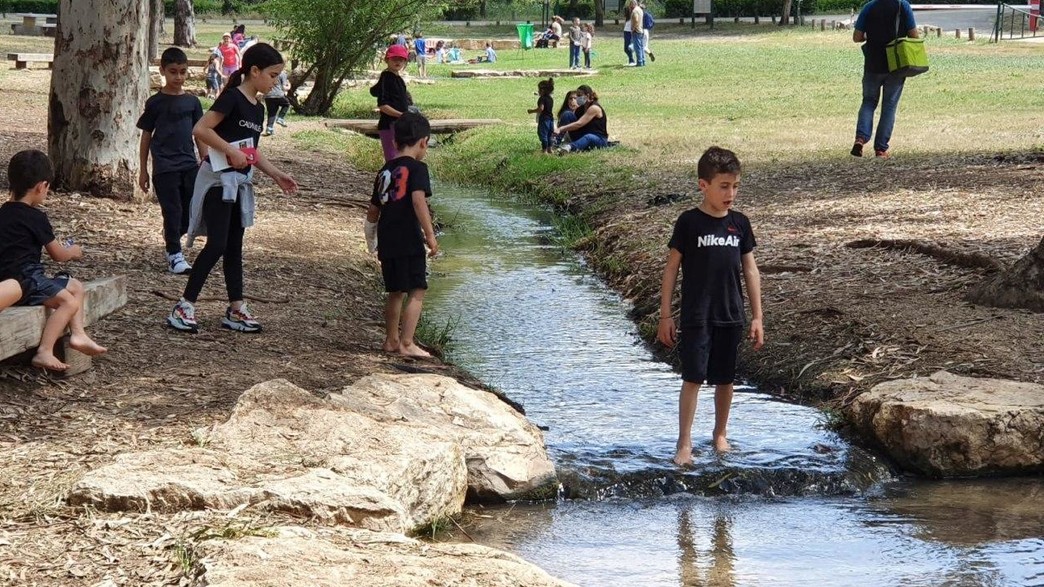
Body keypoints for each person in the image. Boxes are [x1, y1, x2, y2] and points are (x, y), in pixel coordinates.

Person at [167, 43, 299, 334]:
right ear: (254, 71)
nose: (275, 80)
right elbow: (201, 129)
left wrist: (277, 175)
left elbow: (252, 151)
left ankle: (236, 308)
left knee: (234, 247)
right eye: (273, 74)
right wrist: (229, 152)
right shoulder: (232, 98)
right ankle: (184, 305)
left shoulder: (258, 108)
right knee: (216, 244)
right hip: (217, 182)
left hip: (240, 185)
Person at [656, 146, 764, 463]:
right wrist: (665, 314)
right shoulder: (689, 223)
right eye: (724, 186)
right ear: (704, 185)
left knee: (725, 379)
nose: (731, 193)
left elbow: (750, 270)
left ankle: (720, 434)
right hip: (696, 315)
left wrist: (757, 317)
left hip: (731, 314)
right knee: (692, 378)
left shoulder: (740, 224)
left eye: (735, 186)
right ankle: (684, 442)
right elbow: (671, 268)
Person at [0, 150, 107, 371]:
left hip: (12, 280)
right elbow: (58, 255)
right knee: (68, 301)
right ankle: (45, 351)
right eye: (47, 189)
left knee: (75, 286)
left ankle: (78, 335)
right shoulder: (36, 218)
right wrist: (74, 251)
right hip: (26, 280)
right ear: (41, 186)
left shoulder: (3, 213)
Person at [364, 112, 439, 359]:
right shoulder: (418, 168)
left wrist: (370, 239)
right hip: (408, 237)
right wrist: (430, 235)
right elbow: (418, 201)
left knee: (395, 290)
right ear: (423, 142)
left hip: (387, 237)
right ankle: (407, 343)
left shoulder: (385, 170)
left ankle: (391, 340)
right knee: (417, 289)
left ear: (395, 142)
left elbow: (373, 209)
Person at [137, 47, 207, 276]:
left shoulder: (193, 102)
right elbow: (146, 135)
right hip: (164, 167)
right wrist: (143, 170)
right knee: (173, 210)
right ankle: (175, 255)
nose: (178, 77)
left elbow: (200, 133)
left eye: (183, 72)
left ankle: (172, 236)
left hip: (189, 165)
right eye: (173, 72)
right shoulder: (155, 102)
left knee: (190, 212)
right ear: (163, 71)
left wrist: (205, 160)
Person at [851, 0, 918, 158]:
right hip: (896, 65)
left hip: (873, 64)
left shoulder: (869, 7)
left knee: (868, 101)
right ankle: (881, 149)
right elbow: (914, 36)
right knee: (889, 106)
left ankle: (860, 139)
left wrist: (871, 35)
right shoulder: (903, 6)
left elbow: (857, 37)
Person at [370, 44, 411, 162]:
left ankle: (400, 180)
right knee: (393, 159)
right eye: (394, 59)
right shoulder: (386, 78)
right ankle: (392, 180)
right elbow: (383, 105)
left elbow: (374, 91)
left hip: (399, 124)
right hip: (389, 124)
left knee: (402, 157)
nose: (398, 61)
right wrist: (401, 115)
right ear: (386, 60)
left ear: (405, 62)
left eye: (401, 59)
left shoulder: (398, 79)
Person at [554, 84, 609, 153]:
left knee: (589, 137)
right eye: (577, 96)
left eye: (579, 95)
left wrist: (561, 128)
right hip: (582, 135)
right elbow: (574, 125)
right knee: (567, 114)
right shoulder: (580, 108)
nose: (577, 98)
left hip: (599, 139)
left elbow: (579, 124)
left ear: (587, 95)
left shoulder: (594, 108)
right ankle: (555, 142)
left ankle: (569, 147)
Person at [528, 78, 555, 154]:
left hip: (544, 119)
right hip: (551, 119)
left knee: (543, 135)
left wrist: (531, 111)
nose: (538, 91)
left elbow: (541, 109)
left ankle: (544, 151)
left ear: (542, 90)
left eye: (539, 89)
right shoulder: (550, 98)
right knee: (549, 134)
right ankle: (550, 149)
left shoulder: (542, 98)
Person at [263, 69, 290, 136]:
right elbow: (284, 88)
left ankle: (269, 129)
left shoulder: (268, 73)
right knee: (286, 104)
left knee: (271, 112)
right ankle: (280, 118)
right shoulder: (282, 74)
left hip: (268, 96)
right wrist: (289, 86)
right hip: (278, 95)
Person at [630, 0, 646, 67]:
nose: (630, 6)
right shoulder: (640, 9)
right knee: (641, 47)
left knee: (637, 48)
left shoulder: (635, 11)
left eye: (630, 4)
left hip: (636, 31)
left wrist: (633, 29)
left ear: (633, 4)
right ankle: (643, 61)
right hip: (641, 30)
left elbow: (636, 20)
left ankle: (639, 62)